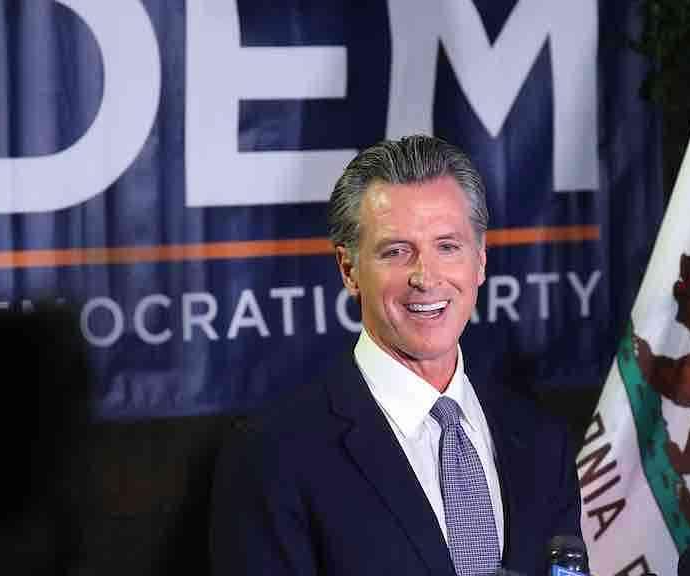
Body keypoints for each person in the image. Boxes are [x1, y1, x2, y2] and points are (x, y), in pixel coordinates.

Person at [211, 135, 581, 575]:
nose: (425, 276)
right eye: (396, 251)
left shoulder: (543, 443)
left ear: (480, 260)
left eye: (448, 246)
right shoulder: (273, 455)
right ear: (349, 270)